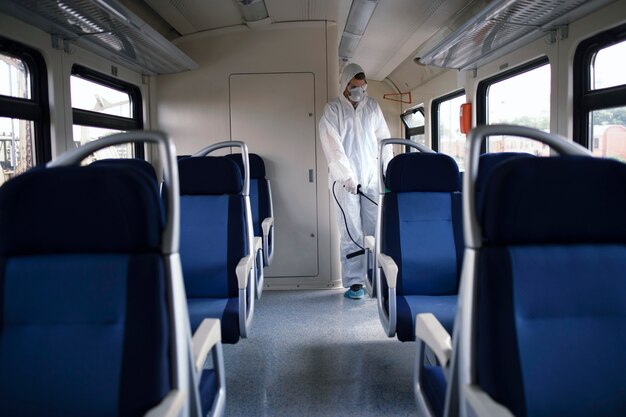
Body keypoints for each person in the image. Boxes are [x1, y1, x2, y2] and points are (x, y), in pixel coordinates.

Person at [318, 63, 393, 300]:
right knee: (351, 231)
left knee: (374, 229)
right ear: (345, 85)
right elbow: (333, 146)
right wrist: (346, 177)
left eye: (362, 87)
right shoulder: (332, 110)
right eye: (354, 87)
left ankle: (376, 277)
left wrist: (387, 172)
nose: (358, 91)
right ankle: (355, 284)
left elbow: (384, 140)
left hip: (371, 178)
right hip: (345, 183)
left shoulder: (372, 107)